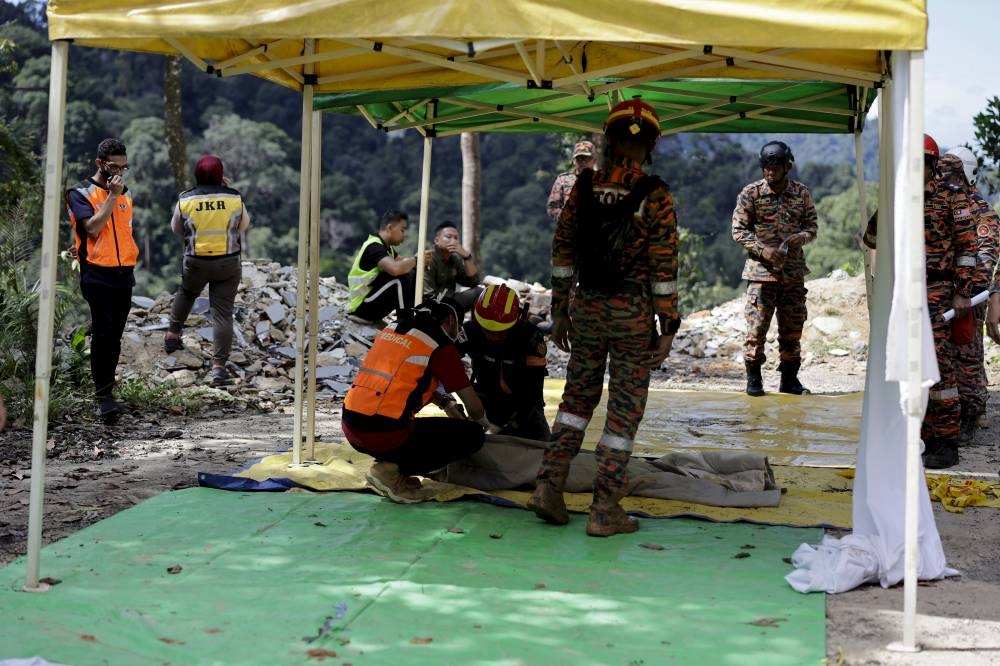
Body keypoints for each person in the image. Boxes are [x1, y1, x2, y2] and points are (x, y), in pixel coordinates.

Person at [527, 99, 680, 537]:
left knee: (575, 403)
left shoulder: (583, 186)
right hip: (632, 315)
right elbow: (664, 267)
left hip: (587, 308)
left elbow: (563, 252)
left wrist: (560, 311)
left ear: (607, 141)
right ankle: (605, 508)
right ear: (650, 144)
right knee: (623, 415)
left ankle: (549, 485)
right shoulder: (655, 194)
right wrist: (667, 326)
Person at [341, 297, 494, 503]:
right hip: (384, 434)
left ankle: (398, 472)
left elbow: (405, 380)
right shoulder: (440, 344)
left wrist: (445, 403)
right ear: (449, 321)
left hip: (352, 427)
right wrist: (486, 425)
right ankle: (389, 470)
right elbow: (473, 406)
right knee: (472, 436)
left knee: (419, 429)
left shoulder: (394, 330)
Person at [731, 141, 818, 397]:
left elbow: (812, 227)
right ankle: (754, 380)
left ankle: (789, 380)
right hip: (761, 275)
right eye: (766, 167)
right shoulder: (751, 193)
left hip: (792, 274)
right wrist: (762, 249)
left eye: (775, 167)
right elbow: (738, 231)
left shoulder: (801, 193)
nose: (770, 172)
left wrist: (800, 237)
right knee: (756, 329)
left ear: (786, 166)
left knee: (792, 329)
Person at [65, 138, 138, 424]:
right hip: (96, 274)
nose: (118, 171)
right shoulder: (79, 193)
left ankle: (108, 390)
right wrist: (111, 196)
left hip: (124, 274)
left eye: (123, 166)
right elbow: (93, 229)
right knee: (105, 334)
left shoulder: (125, 193)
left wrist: (118, 195)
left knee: (114, 335)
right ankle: (104, 397)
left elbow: (124, 232)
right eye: (113, 166)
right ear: (99, 164)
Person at [163, 155, 251, 386]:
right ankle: (219, 368)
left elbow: (176, 228)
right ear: (220, 174)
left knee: (187, 293)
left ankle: (172, 335)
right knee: (222, 313)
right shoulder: (234, 197)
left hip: (196, 261)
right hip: (228, 263)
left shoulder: (186, 199)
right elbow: (243, 225)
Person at [918, 135, 977, 469]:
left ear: (933, 164)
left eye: (922, 163)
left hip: (939, 291)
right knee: (912, 366)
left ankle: (947, 440)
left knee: (939, 366)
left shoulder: (952, 198)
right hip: (908, 292)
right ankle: (922, 434)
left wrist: (962, 290)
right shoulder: (900, 196)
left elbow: (968, 248)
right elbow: (874, 236)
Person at [937, 148, 998, 443]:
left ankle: (971, 415)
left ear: (965, 175)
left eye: (949, 174)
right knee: (943, 359)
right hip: (942, 295)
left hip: (968, 298)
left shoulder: (980, 211)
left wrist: (964, 289)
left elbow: (986, 258)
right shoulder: (941, 202)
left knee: (967, 358)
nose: (943, 178)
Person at [459, 284, 550, 440]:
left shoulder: (530, 337)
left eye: (500, 332)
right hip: (484, 403)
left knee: (541, 452)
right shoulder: (469, 331)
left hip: (524, 406)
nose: (493, 337)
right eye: (487, 331)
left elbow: (533, 392)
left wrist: (511, 426)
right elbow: (445, 364)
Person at [346, 210, 429, 325]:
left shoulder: (387, 249)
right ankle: (405, 320)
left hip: (371, 304)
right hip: (362, 308)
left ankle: (413, 316)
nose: (404, 235)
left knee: (411, 272)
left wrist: (420, 263)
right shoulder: (374, 246)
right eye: (402, 230)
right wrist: (416, 260)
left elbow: (406, 264)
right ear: (390, 228)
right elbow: (395, 269)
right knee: (401, 277)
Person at [423, 220, 483, 313]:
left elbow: (473, 282)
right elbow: (427, 295)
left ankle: (473, 326)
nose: (454, 241)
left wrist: (466, 257)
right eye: (448, 237)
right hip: (433, 305)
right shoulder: (429, 258)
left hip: (450, 301)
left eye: (456, 238)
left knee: (480, 293)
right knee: (478, 293)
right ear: (437, 240)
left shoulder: (454, 260)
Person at [546, 140, 596, 223]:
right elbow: (552, 206)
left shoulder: (604, 181)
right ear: (573, 161)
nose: (582, 162)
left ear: (594, 161)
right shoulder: (563, 180)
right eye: (579, 159)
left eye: (586, 158)